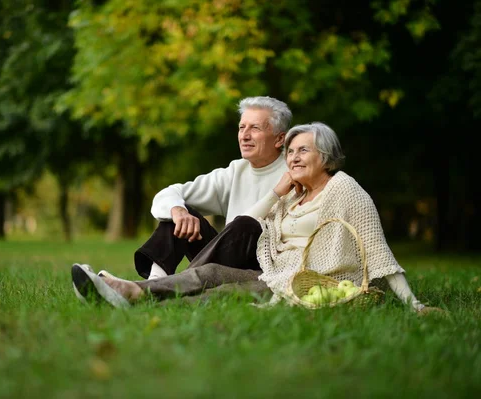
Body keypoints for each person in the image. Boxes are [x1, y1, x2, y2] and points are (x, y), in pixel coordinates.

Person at [72, 122, 444, 315]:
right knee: (207, 272)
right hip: (269, 269)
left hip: (299, 280)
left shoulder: (345, 190)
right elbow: (243, 225)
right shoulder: (288, 192)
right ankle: (131, 290)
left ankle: (135, 296)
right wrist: (277, 192)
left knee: (225, 292)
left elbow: (378, 252)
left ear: (327, 158)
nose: (294, 158)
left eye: (304, 151)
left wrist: (413, 304)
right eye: (293, 151)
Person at [103, 95, 292, 284]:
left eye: (255, 128)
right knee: (177, 213)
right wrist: (178, 211)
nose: (244, 135)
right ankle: (155, 281)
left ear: (279, 139)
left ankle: (155, 287)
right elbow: (169, 194)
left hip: (263, 267)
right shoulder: (236, 171)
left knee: (245, 225)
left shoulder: (295, 173)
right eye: (242, 127)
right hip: (225, 259)